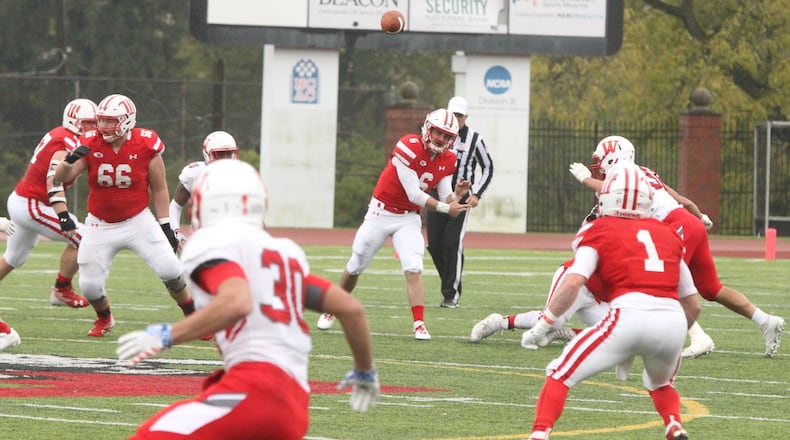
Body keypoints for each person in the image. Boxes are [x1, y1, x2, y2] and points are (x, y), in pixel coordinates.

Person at [117, 160, 379, 439]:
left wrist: (167, 335)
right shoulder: (281, 252)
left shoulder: (209, 243)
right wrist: (365, 372)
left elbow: (237, 300)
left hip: (254, 389)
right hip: (294, 404)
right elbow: (350, 309)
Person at [522, 164, 699, 440]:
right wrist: (672, 333)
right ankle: (674, 424)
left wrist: (543, 325)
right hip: (673, 320)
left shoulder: (599, 229)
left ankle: (539, 433)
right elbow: (693, 304)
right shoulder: (669, 234)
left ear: (607, 196)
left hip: (628, 314)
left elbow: (573, 281)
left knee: (559, 373)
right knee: (661, 383)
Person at [569, 135, 785, 358]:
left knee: (659, 282)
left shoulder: (624, 173)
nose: (597, 166)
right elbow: (684, 200)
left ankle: (700, 338)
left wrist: (586, 179)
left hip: (677, 227)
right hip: (690, 224)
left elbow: (613, 190)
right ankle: (765, 320)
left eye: (600, 159)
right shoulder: (645, 172)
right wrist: (699, 216)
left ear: (613, 157)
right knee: (712, 289)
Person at [316, 108, 471, 340]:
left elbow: (444, 194)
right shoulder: (408, 145)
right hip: (381, 213)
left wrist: (457, 196)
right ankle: (333, 308)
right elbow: (414, 194)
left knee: (413, 266)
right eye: (438, 133)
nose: (441, 139)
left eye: (447, 136)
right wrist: (446, 208)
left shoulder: (449, 158)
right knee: (356, 264)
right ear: (428, 128)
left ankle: (419, 323)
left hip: (408, 218)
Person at [54, 93, 196, 337]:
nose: (104, 126)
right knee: (89, 286)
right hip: (99, 223)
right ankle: (104, 318)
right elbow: (62, 178)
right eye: (102, 120)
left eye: (111, 121)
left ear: (128, 120)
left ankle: (193, 318)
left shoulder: (145, 143)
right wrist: (68, 162)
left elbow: (160, 188)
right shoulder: (90, 141)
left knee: (171, 270)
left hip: (137, 220)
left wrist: (165, 225)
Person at [0, 99, 97, 308]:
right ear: (76, 122)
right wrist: (63, 217)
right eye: (90, 123)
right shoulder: (67, 142)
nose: (94, 127)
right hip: (33, 204)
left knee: (14, 257)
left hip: (24, 200)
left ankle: (62, 290)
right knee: (84, 238)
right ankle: (62, 290)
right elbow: (54, 180)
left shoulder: (61, 133)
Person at [426, 96, 494, 308]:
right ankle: (449, 283)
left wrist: (477, 194)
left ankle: (451, 294)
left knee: (452, 243)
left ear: (466, 116)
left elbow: (488, 167)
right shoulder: (439, 134)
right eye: (453, 114)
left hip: (462, 198)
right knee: (435, 245)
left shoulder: (474, 138)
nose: (456, 118)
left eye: (459, 115)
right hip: (437, 195)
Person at [168, 130, 239, 251]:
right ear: (207, 154)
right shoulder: (194, 174)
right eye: (221, 154)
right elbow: (176, 205)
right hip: (201, 240)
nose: (226, 159)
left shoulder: (242, 175)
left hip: (233, 239)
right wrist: (176, 232)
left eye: (229, 154)